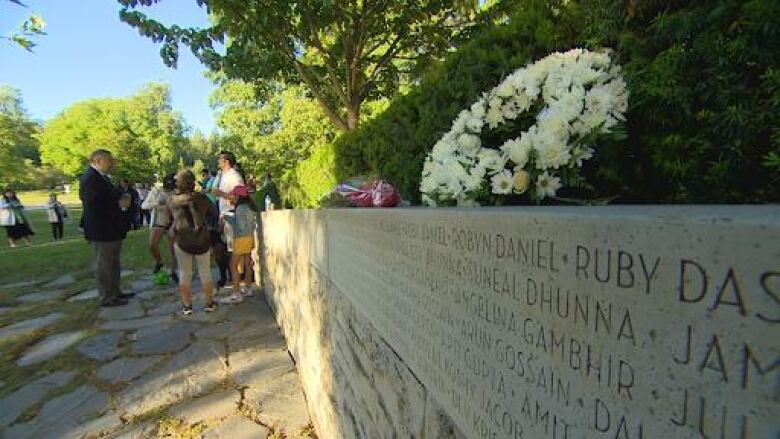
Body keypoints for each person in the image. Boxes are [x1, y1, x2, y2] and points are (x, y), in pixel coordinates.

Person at [79, 149, 134, 307]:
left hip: (111, 228)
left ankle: (115, 291)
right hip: (101, 229)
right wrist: (117, 203)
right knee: (104, 264)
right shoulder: (90, 178)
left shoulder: (102, 177)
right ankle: (106, 296)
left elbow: (111, 194)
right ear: (98, 161)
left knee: (113, 262)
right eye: (109, 160)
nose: (112, 164)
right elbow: (93, 202)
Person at [167, 169, 217, 315]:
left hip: (182, 239)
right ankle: (209, 303)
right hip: (202, 239)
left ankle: (187, 305)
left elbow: (170, 217)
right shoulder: (202, 198)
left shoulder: (172, 200)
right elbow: (213, 212)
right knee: (205, 272)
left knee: (184, 273)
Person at [223, 185, 258, 303]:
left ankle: (236, 293)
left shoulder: (240, 208)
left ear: (238, 196)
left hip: (240, 239)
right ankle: (248, 288)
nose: (231, 198)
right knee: (248, 263)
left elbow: (238, 225)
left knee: (233, 265)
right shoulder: (249, 207)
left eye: (233, 195)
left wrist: (226, 217)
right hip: (250, 237)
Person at [141, 174, 178, 282]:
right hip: (159, 221)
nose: (168, 189)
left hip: (171, 222)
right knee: (152, 245)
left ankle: (173, 271)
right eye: (167, 187)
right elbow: (144, 205)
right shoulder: (156, 192)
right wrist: (156, 204)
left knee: (173, 249)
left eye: (171, 187)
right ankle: (159, 261)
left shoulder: (175, 193)